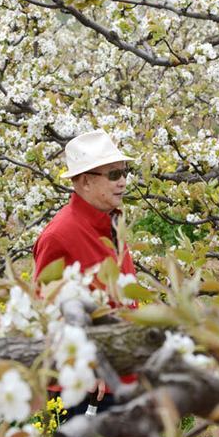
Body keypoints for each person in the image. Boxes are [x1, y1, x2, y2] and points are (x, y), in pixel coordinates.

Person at [33, 129, 137, 419]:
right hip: (87, 391)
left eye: (125, 172)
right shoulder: (60, 235)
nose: (123, 181)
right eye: (114, 174)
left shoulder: (112, 221)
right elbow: (47, 311)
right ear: (86, 181)